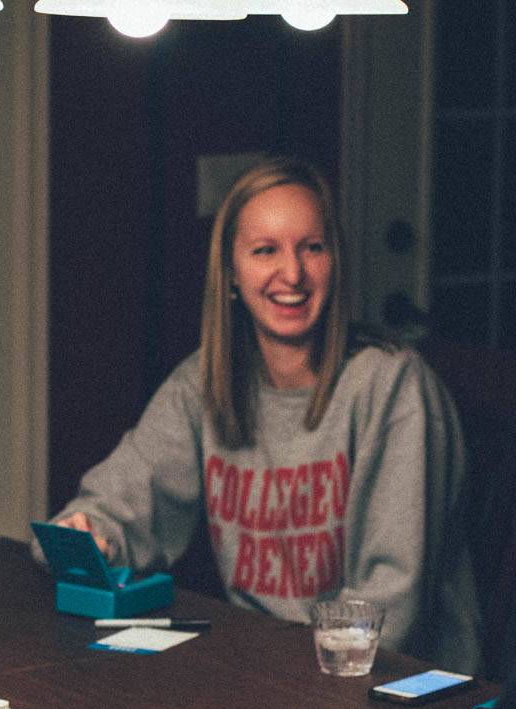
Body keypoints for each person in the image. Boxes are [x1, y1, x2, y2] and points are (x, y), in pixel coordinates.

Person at [47, 156, 480, 672]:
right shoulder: (205, 382)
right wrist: (91, 533)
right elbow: (116, 506)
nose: (292, 273)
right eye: (265, 251)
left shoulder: (393, 386)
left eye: (312, 248)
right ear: (231, 272)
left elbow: (392, 606)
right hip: (268, 677)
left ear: (335, 262)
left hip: (396, 691)